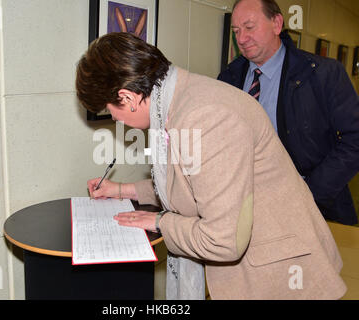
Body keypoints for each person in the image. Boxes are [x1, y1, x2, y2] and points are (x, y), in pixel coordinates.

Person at [76, 32, 346, 299]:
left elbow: (222, 240)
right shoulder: (177, 97)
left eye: (110, 111)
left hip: (282, 273)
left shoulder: (205, 117)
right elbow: (190, 183)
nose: (115, 119)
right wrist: (123, 190)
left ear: (128, 97)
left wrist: (161, 222)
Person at [218, 0, 359, 225]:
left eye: (250, 27)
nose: (241, 38)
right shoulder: (229, 79)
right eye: (236, 31)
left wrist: (309, 193)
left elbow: (355, 139)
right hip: (247, 209)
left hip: (313, 209)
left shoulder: (324, 74)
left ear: (277, 24)